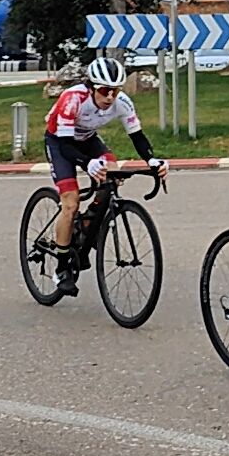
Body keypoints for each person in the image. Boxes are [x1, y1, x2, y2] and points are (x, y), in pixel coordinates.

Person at [43, 56, 168, 297]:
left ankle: (88, 225)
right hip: (60, 142)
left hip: (88, 139)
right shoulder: (73, 99)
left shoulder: (122, 102)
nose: (110, 97)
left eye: (115, 90)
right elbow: (68, 146)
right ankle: (62, 268)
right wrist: (88, 164)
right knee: (70, 204)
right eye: (104, 90)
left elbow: (137, 137)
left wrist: (152, 161)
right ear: (91, 88)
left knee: (112, 175)